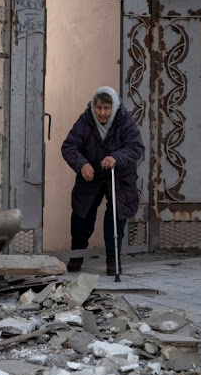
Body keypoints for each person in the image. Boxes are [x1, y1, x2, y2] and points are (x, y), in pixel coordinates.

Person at [61, 86, 144, 274]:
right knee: (82, 214)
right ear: (93, 106)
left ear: (113, 107)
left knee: (115, 215)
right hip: (91, 173)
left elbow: (136, 146)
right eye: (99, 108)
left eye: (107, 108)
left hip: (119, 174)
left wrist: (116, 157)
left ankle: (113, 259)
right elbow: (69, 146)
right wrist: (82, 164)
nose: (102, 113)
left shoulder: (125, 120)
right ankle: (76, 256)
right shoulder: (85, 120)